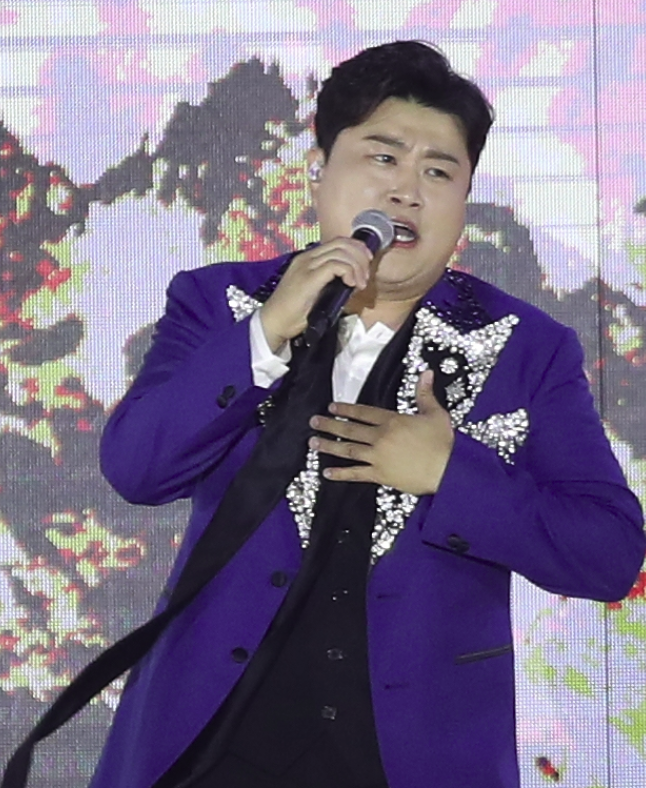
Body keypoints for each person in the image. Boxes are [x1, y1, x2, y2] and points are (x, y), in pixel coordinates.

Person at [91, 41, 645, 788]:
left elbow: (610, 554)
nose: (406, 190)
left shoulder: (527, 349)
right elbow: (136, 469)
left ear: (464, 202)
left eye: (439, 172)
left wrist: (450, 472)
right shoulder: (219, 302)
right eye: (383, 158)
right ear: (320, 169)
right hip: (205, 747)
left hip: (416, 757)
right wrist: (265, 334)